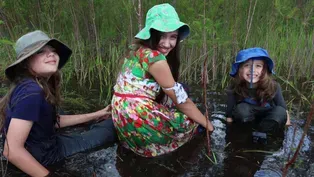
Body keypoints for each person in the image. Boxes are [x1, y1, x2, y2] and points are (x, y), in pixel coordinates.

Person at [0, 30, 117, 177]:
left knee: (100, 122)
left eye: (53, 51)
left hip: (44, 146)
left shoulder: (30, 85)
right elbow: (11, 151)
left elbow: (52, 122)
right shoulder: (32, 93)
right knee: (111, 127)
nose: (51, 54)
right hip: (47, 157)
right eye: (41, 51)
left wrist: (97, 114)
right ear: (25, 62)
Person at [111, 3, 214, 157]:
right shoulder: (155, 58)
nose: (167, 44)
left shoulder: (135, 51)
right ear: (151, 34)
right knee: (190, 122)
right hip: (138, 118)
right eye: (161, 36)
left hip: (120, 114)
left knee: (181, 90)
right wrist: (207, 124)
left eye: (173, 37)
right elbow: (182, 101)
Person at [225, 47, 291, 134]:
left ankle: (265, 133)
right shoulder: (234, 87)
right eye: (247, 65)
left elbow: (283, 110)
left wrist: (287, 128)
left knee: (280, 112)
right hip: (247, 118)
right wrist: (229, 132)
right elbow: (229, 116)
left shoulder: (274, 86)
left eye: (258, 66)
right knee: (241, 110)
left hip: (268, 116)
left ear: (265, 70)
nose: (252, 70)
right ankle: (248, 133)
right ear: (239, 70)